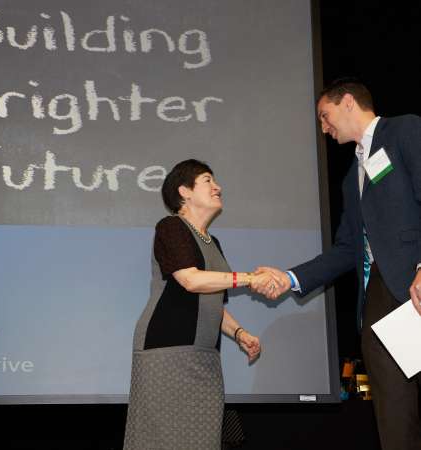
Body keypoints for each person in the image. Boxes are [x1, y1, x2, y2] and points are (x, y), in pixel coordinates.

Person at [252, 78, 421, 450]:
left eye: (324, 116)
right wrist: (291, 277)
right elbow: (346, 249)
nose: (323, 128)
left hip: (416, 283)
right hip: (379, 298)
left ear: (347, 102)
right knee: (394, 411)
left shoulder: (404, 130)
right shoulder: (351, 178)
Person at [123, 159, 263, 450]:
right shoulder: (171, 227)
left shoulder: (214, 242)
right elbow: (190, 280)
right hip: (168, 350)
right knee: (162, 441)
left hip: (205, 357)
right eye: (208, 180)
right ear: (184, 191)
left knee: (201, 440)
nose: (218, 187)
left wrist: (240, 334)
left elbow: (212, 302)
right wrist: (249, 278)